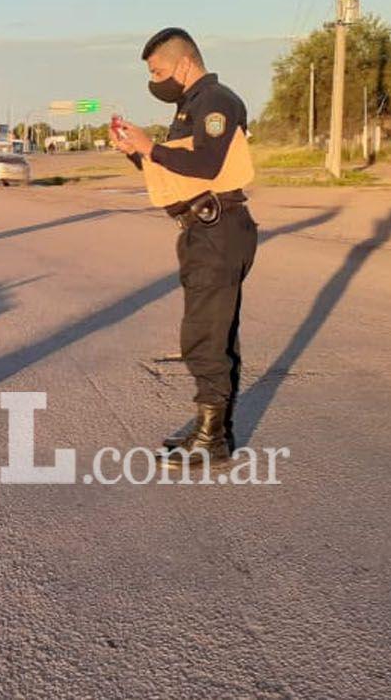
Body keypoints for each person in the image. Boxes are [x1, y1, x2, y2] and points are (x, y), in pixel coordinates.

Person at [111, 28, 257, 471]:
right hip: (204, 227)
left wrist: (150, 146)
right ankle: (211, 428)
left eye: (157, 70)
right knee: (212, 334)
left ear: (183, 63)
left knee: (203, 337)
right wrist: (136, 153)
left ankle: (213, 437)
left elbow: (206, 164)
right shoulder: (190, 106)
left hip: (218, 227)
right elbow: (179, 171)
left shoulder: (215, 101)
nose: (154, 79)